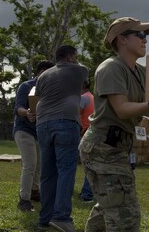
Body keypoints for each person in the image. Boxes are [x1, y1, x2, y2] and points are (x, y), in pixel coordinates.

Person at [79, 17, 149, 232]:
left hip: (118, 147)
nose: (145, 40)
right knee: (124, 216)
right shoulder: (111, 68)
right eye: (140, 35)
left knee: (108, 208)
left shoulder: (139, 72)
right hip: (103, 148)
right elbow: (122, 108)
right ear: (122, 39)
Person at [35, 45, 88, 231]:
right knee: (66, 169)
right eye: (76, 55)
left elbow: (39, 96)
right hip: (65, 121)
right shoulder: (79, 69)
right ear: (70, 56)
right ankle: (61, 217)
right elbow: (84, 78)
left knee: (47, 173)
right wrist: (75, 61)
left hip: (43, 123)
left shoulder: (43, 75)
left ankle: (44, 219)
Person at [13, 60, 54, 212]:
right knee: (29, 163)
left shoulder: (49, 89)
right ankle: (24, 199)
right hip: (23, 129)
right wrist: (28, 113)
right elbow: (18, 108)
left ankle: (34, 192)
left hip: (39, 130)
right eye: (49, 73)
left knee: (39, 165)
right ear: (41, 72)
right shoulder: (26, 86)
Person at [79, 79, 94, 203]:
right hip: (92, 133)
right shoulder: (92, 97)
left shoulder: (83, 98)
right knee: (91, 164)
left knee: (88, 165)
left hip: (84, 133)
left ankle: (86, 194)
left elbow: (73, 114)